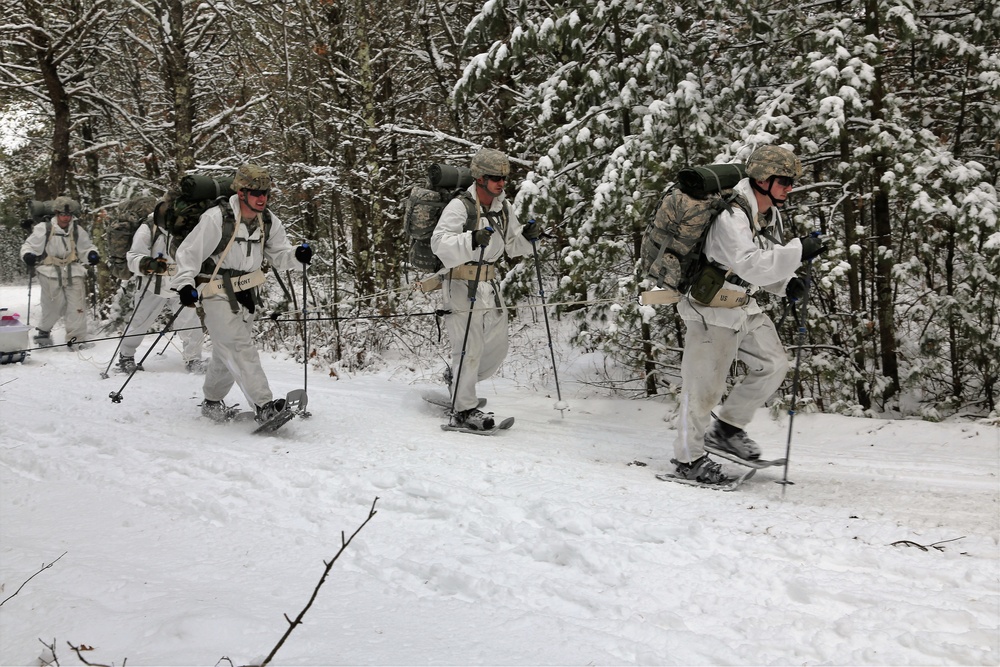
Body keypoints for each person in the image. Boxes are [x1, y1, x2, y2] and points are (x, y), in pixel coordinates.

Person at [669, 145, 826, 485]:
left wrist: (786, 285)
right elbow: (749, 262)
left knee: (773, 364)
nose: (789, 187)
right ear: (762, 178)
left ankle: (726, 430)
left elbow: (766, 256)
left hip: (743, 304)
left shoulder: (767, 212)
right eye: (783, 180)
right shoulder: (732, 217)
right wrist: (798, 252)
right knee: (703, 389)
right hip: (711, 309)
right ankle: (687, 459)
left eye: (791, 181)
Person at [169, 164, 313, 424]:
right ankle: (264, 406)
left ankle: (212, 401)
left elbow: (279, 255)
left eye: (265, 193)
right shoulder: (216, 218)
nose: (262, 198)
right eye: (255, 193)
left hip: (247, 294)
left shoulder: (267, 220)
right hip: (215, 291)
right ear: (241, 192)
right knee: (238, 346)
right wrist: (184, 285)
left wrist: (297, 256)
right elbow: (188, 254)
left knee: (226, 353)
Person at [430, 148, 541, 430]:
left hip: (489, 285)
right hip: (459, 284)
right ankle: (463, 410)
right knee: (470, 348)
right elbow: (439, 244)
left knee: (496, 345)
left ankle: (458, 379)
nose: (501, 183)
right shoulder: (460, 207)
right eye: (494, 178)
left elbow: (513, 244)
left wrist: (528, 239)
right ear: (479, 178)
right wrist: (471, 240)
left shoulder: (503, 208)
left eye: (504, 177)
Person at [115, 199, 206, 374]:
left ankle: (193, 358)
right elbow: (133, 256)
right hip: (152, 285)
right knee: (139, 321)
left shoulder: (188, 227)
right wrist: (147, 263)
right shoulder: (148, 228)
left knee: (190, 321)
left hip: (180, 283)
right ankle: (126, 356)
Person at [20, 196, 100, 349]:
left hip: (73, 269)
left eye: (68, 215)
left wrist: (91, 254)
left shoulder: (77, 229)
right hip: (49, 270)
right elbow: (29, 245)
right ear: (56, 214)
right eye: (63, 214)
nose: (66, 218)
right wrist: (28, 255)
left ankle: (76, 340)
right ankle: (43, 331)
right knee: (54, 305)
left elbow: (86, 247)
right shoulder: (44, 228)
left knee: (77, 306)